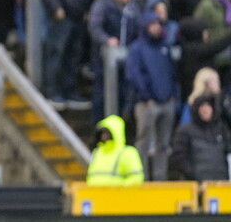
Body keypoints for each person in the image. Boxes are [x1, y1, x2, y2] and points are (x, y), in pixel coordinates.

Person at [38, 0, 92, 110]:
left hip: (78, 17)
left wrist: (85, 9)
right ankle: (53, 92)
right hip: (61, 18)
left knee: (73, 56)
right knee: (56, 53)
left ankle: (70, 92)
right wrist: (55, 7)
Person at [125, 11, 180, 181]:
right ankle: (141, 177)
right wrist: (145, 96)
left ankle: (160, 177)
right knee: (144, 141)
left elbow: (172, 72)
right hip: (147, 103)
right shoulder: (137, 49)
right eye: (152, 24)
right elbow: (134, 74)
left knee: (163, 144)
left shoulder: (164, 47)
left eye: (158, 24)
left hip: (166, 100)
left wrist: (173, 94)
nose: (157, 28)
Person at [170, 94, 230, 181]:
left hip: (220, 183)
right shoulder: (185, 131)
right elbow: (178, 158)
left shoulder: (221, 129)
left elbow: (227, 152)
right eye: (202, 106)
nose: (206, 110)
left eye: (208, 106)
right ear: (196, 109)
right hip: (196, 184)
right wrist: (193, 174)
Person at [86, 114, 145, 185]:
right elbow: (90, 177)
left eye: (107, 133)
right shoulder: (97, 152)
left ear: (115, 133)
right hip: (94, 194)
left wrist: (118, 189)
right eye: (102, 133)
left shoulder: (127, 153)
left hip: (118, 195)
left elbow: (136, 179)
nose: (104, 136)